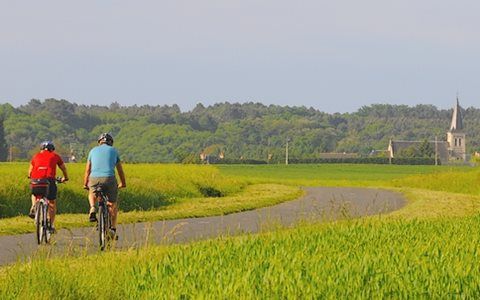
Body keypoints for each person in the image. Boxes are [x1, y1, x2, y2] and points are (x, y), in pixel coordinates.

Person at [83, 133, 126, 238]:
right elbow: (120, 170)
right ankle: (113, 228)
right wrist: (123, 183)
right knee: (112, 204)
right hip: (109, 178)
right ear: (111, 142)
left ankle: (93, 207)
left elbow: (88, 169)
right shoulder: (114, 151)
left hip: (94, 178)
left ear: (99, 142)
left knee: (92, 192)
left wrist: (85, 183)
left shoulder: (92, 151)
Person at [28, 141, 69, 233]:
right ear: (52, 149)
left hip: (36, 180)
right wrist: (65, 178)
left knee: (35, 193)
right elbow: (63, 168)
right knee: (52, 202)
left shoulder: (35, 156)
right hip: (49, 180)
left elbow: (30, 171)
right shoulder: (55, 156)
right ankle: (51, 225)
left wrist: (31, 176)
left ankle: (34, 205)